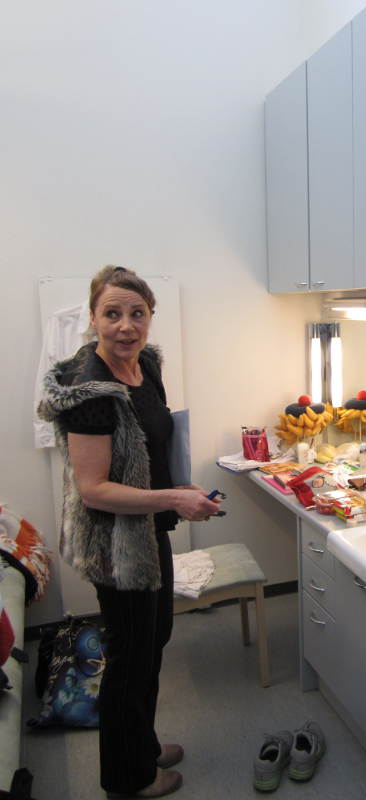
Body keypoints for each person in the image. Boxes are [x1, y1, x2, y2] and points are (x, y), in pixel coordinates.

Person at [38, 265, 220, 798]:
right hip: (116, 545)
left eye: (137, 313)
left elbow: (155, 440)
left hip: (149, 528)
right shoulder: (90, 390)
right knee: (129, 657)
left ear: (150, 317)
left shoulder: (146, 366)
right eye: (112, 313)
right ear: (94, 318)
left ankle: (142, 743)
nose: (125, 325)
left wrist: (180, 486)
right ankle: (128, 777)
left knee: (153, 642)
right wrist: (175, 499)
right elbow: (94, 490)